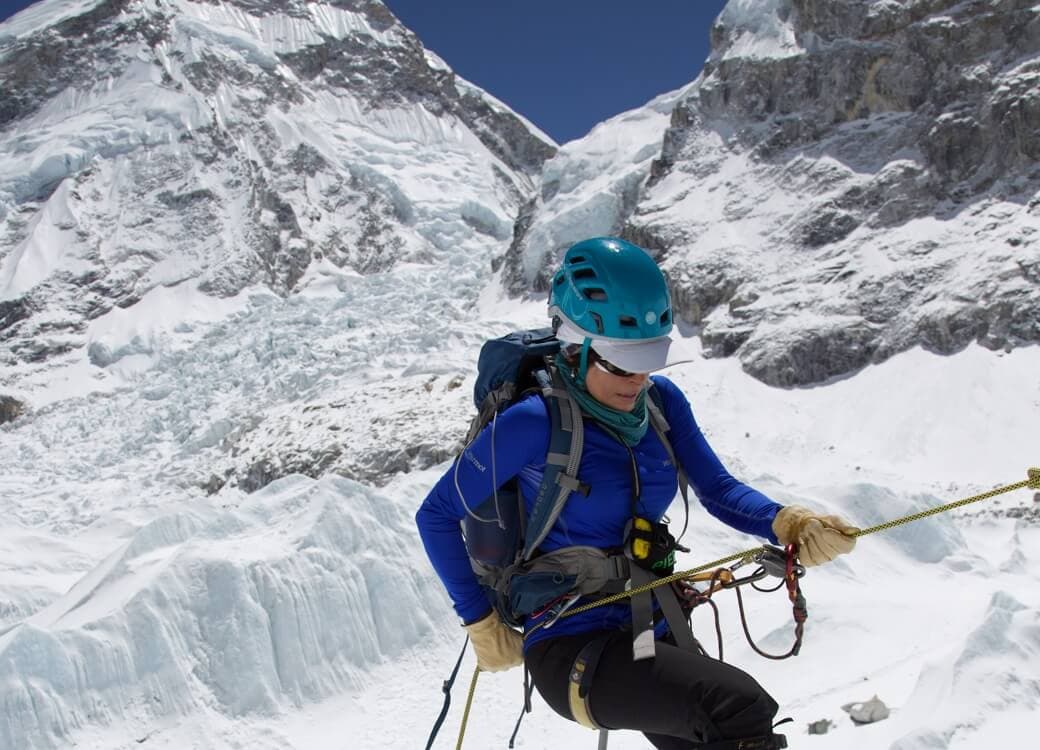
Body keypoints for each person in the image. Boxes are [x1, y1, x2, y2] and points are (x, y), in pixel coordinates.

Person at [415, 237, 858, 749]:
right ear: (575, 349)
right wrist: (480, 622)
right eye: (621, 364)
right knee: (737, 709)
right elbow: (437, 513)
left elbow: (717, 488)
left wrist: (788, 522)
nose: (639, 378)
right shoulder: (533, 423)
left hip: (652, 628)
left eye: (649, 359)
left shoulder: (661, 404)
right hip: (569, 642)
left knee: (717, 727)